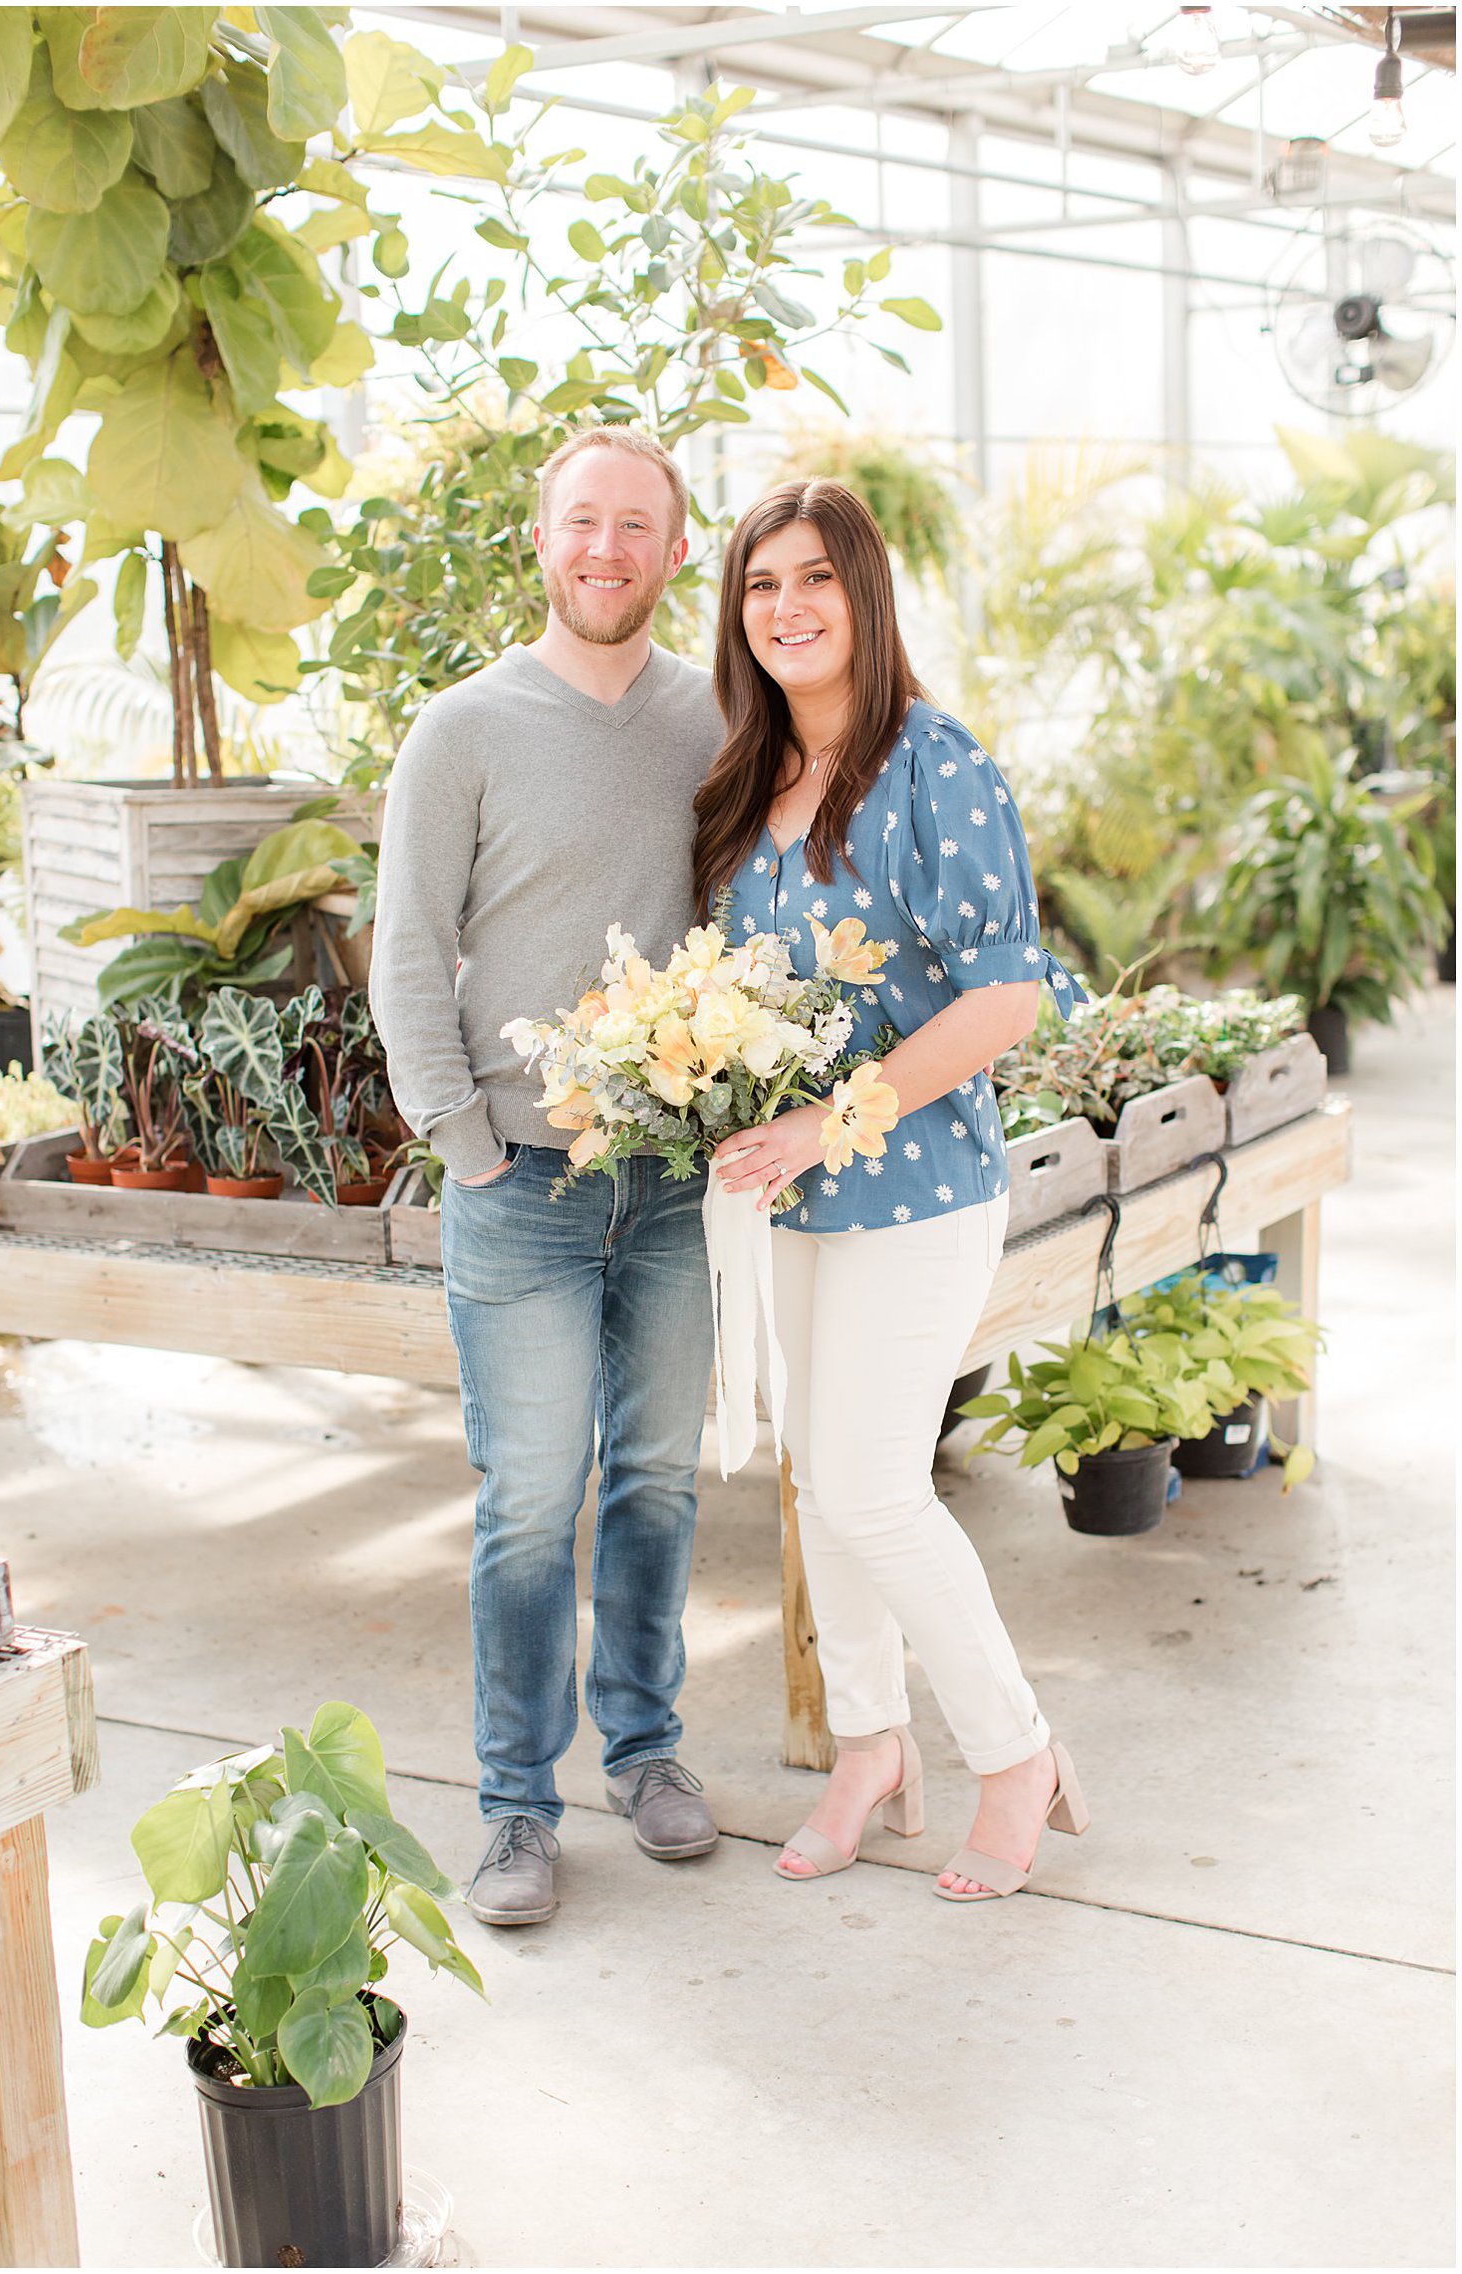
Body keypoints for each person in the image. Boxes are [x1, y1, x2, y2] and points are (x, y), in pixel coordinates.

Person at [697, 479, 1089, 1900]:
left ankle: (1015, 1749)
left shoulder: (938, 765)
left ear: (864, 594)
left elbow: (1005, 999)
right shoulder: (747, 778)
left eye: (816, 578)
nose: (788, 607)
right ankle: (870, 1746)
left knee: (870, 1482)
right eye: (760, 584)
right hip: (788, 1197)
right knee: (819, 1484)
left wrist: (828, 1120)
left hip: (917, 1187)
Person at [370, 428, 724, 1927]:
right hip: (519, 1184)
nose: (606, 548)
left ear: (674, 550)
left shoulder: (717, 721)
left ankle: (645, 1751)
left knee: (653, 1478)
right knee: (528, 1503)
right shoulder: (462, 730)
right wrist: (467, 1142)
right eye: (584, 521)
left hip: (676, 1193)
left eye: (636, 525)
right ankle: (517, 1806)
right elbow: (402, 958)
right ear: (542, 539)